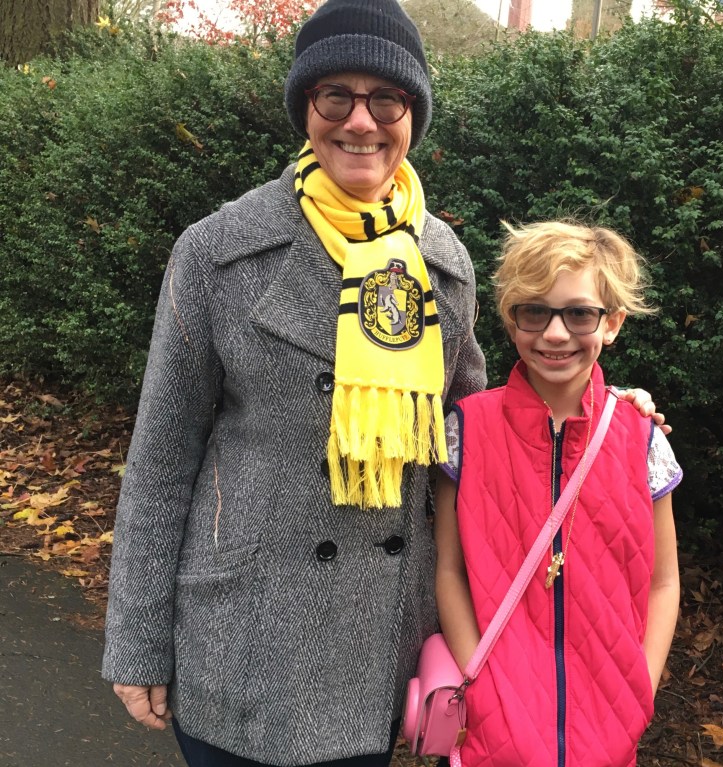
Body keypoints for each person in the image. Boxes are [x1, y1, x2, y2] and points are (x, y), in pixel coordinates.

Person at [102, 2, 664, 766]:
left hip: (373, 656)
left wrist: (611, 413)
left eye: (387, 99)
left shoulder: (443, 264)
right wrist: (136, 640)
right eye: (336, 94)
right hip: (238, 641)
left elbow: (484, 439)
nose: (361, 121)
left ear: (412, 116)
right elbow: (162, 460)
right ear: (306, 107)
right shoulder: (218, 252)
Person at [434, 220, 682, 767]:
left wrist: (639, 693)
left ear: (612, 323)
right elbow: (449, 570)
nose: (554, 333)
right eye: (534, 311)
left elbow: (664, 580)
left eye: (579, 314)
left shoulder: (641, 438)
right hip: (494, 727)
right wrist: (480, 684)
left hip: (611, 726)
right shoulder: (466, 431)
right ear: (511, 320)